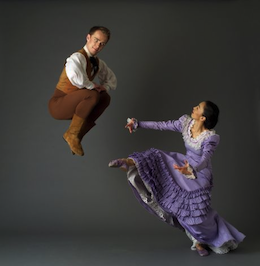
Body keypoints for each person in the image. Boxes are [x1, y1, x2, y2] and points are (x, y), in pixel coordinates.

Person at [108, 101, 245, 256]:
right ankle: (130, 163)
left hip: (199, 174)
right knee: (156, 156)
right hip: (183, 166)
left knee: (195, 215)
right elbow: (162, 125)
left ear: (203, 118)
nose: (194, 107)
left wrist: (193, 169)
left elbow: (206, 159)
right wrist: (138, 124)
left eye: (198, 108)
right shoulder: (186, 123)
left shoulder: (211, 137)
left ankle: (199, 241)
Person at [48, 26, 117, 156]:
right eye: (96, 40)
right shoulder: (76, 57)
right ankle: (71, 134)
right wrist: (92, 86)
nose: (98, 45)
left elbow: (111, 78)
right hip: (58, 104)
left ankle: (78, 135)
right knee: (92, 94)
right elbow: (76, 77)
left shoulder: (98, 63)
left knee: (105, 97)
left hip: (76, 105)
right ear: (88, 37)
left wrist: (105, 87)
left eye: (102, 44)